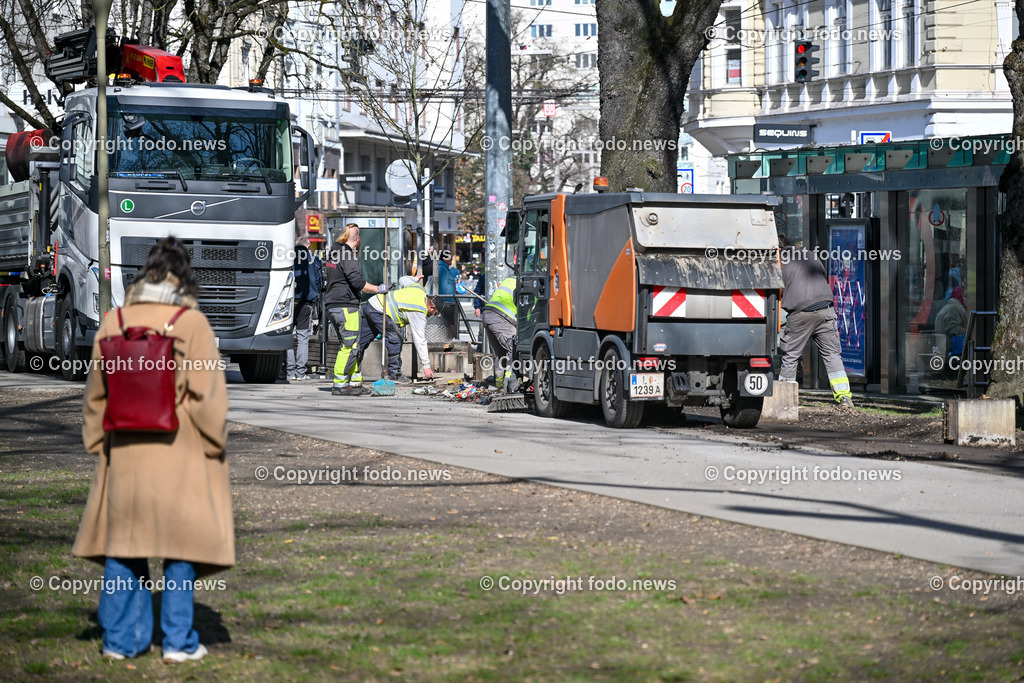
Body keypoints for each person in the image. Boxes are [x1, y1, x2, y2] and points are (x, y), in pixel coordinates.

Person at [72, 236, 231, 663]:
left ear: (143, 277)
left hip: (125, 453)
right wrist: (214, 441)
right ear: (183, 279)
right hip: (179, 451)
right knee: (179, 550)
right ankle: (178, 643)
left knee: (125, 546)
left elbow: (95, 393)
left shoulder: (115, 321)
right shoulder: (191, 322)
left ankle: (121, 642)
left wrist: (96, 442)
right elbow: (208, 395)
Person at [777, 234, 854, 409]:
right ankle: (844, 398)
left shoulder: (779, 261)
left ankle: (784, 400)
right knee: (832, 355)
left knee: (791, 355)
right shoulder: (809, 254)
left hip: (800, 312)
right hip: (826, 309)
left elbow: (776, 290)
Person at [324, 224, 388, 396]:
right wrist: (378, 289)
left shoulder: (333, 253)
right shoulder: (348, 255)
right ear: (358, 239)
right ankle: (340, 384)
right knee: (350, 347)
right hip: (346, 306)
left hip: (333, 306)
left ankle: (355, 382)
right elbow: (357, 283)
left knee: (352, 345)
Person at [357, 275, 439, 384]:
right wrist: (426, 367)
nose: (431, 316)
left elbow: (402, 279)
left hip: (371, 304)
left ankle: (350, 370)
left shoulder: (418, 289)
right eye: (434, 313)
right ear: (432, 307)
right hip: (380, 311)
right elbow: (420, 340)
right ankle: (394, 374)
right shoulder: (418, 310)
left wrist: (414, 279)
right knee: (395, 340)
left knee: (361, 341)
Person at [285, 235, 322, 381]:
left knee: (286, 337)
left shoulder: (288, 257)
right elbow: (318, 281)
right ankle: (300, 373)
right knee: (303, 337)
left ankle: (289, 372)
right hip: (306, 302)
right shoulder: (313, 259)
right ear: (308, 246)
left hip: (288, 302)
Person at [482, 276, 517, 390]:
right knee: (513, 348)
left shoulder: (508, 280)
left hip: (488, 314)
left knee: (500, 352)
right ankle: (510, 383)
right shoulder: (528, 285)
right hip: (501, 317)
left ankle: (500, 385)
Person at [936, 285, 968, 357]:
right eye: (965, 297)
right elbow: (952, 328)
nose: (967, 300)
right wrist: (968, 332)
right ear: (959, 297)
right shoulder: (954, 308)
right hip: (951, 352)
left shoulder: (954, 307)